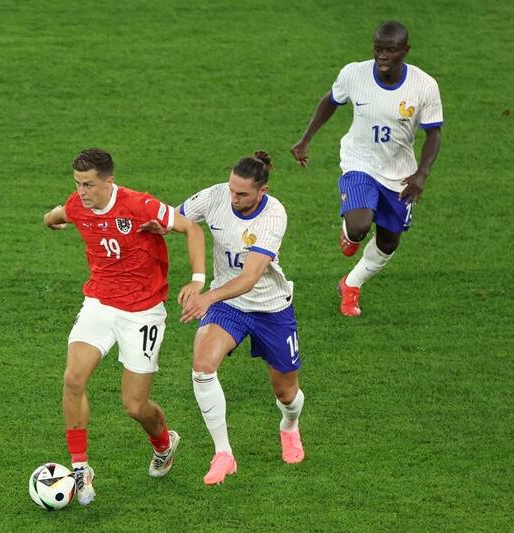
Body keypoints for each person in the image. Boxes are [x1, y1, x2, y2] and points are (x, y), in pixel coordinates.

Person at [43, 148, 206, 504]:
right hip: (99, 304)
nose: (82, 192)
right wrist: (49, 219)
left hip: (143, 313)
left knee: (134, 406)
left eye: (89, 184)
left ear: (109, 181)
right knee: (72, 379)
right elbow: (58, 214)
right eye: (77, 184)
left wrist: (196, 279)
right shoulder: (77, 205)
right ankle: (80, 468)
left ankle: (164, 443)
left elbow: (189, 227)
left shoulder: (140, 205)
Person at [149, 151, 305, 485]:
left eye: (242, 193)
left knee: (286, 393)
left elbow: (249, 279)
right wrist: (150, 225)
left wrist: (206, 297)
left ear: (261, 191)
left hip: (270, 307)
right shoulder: (217, 195)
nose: (234, 198)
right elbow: (177, 219)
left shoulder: (273, 216)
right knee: (202, 365)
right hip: (228, 305)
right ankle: (224, 454)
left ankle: (289, 426)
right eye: (232, 189)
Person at [290, 21, 443, 317]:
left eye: (390, 50)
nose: (383, 56)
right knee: (360, 226)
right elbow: (331, 101)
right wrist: (306, 139)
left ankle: (351, 284)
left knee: (388, 241)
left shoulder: (424, 86)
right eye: (378, 49)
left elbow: (434, 134)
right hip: (358, 161)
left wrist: (422, 173)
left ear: (405, 51)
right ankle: (351, 230)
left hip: (399, 172)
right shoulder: (354, 74)